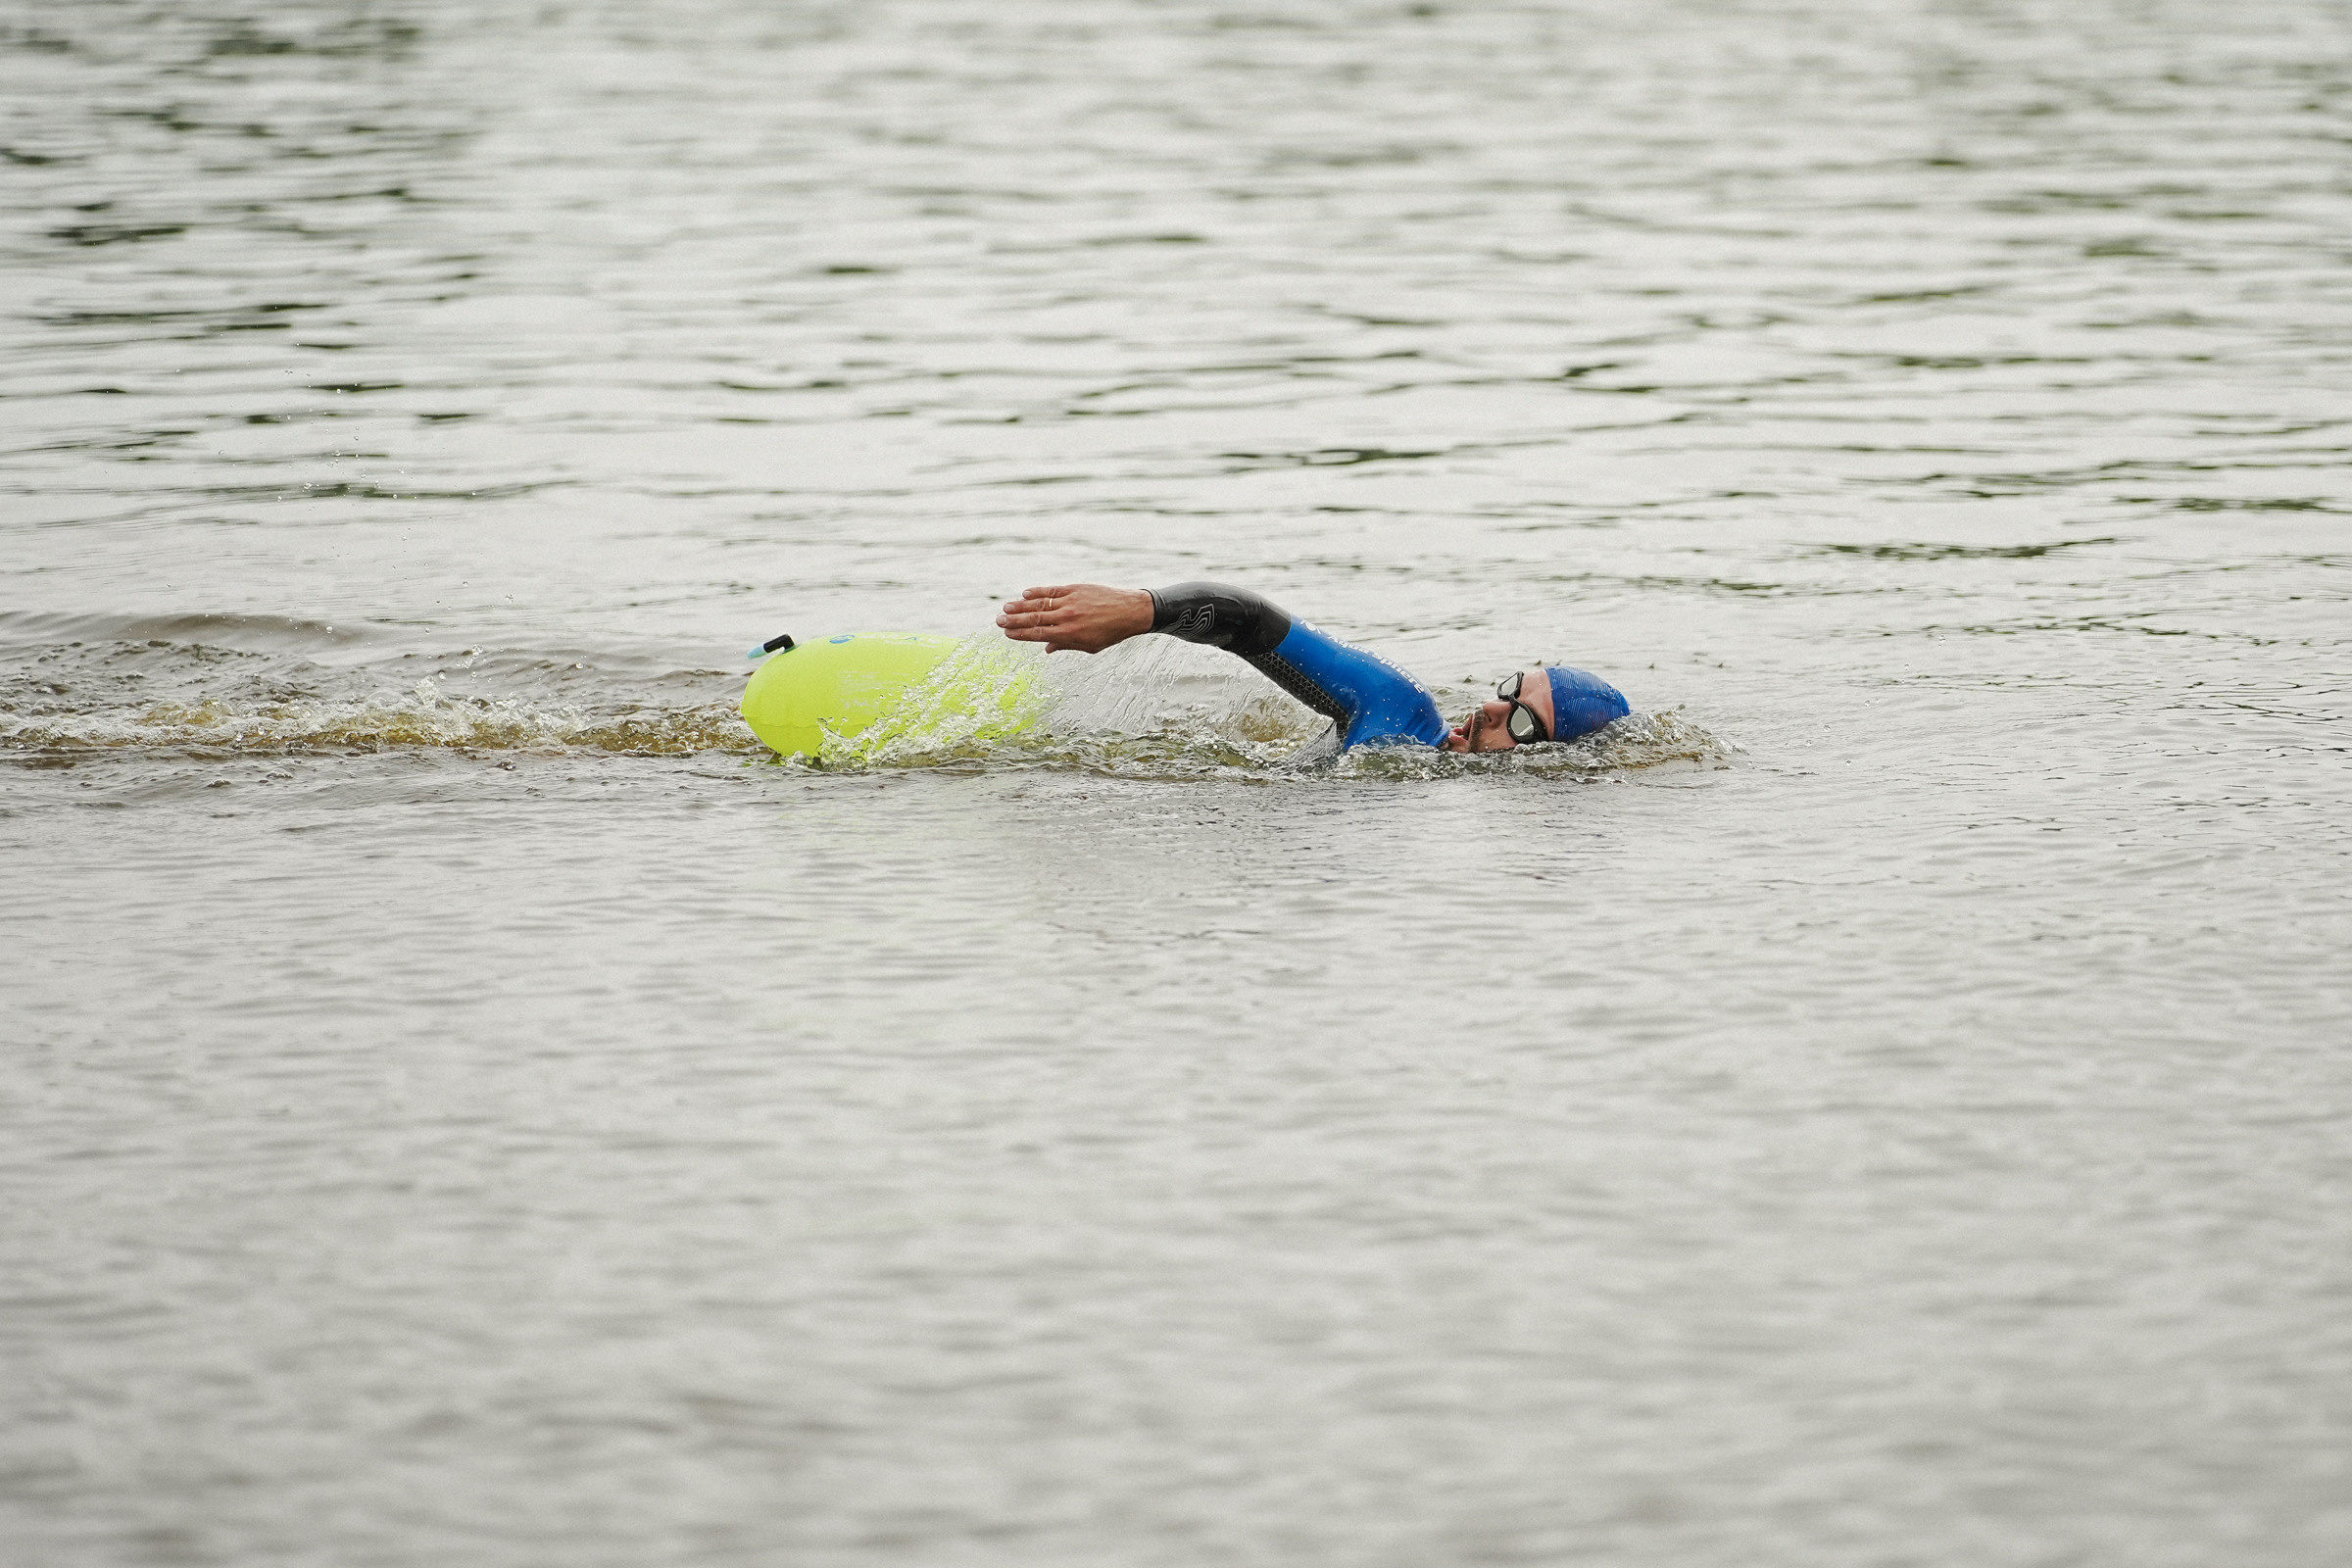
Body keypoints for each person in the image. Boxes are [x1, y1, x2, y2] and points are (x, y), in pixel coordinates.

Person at [997, 581, 1628, 754]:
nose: (1492, 709)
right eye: (1509, 690)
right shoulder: (1401, 712)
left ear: (1550, 761)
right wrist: (1143, 610)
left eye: (1520, 722)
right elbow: (1247, 619)